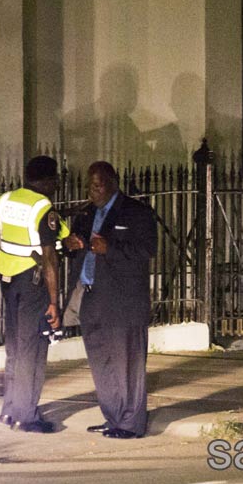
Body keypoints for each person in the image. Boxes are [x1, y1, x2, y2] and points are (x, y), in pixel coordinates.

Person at [63, 161, 157, 439]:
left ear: (114, 181)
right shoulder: (86, 214)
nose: (93, 191)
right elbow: (76, 248)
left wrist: (111, 247)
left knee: (126, 363)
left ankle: (130, 423)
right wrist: (71, 246)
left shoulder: (137, 212)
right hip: (91, 296)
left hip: (123, 301)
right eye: (90, 186)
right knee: (101, 362)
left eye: (98, 185)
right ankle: (113, 417)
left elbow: (147, 250)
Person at [0, 155, 62, 433]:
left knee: (14, 348)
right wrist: (54, 302)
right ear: (48, 180)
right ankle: (27, 416)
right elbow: (49, 258)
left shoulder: (4, 200)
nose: (57, 184)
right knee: (31, 350)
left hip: (7, 279)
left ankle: (9, 410)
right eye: (56, 179)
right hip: (32, 282)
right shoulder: (44, 207)